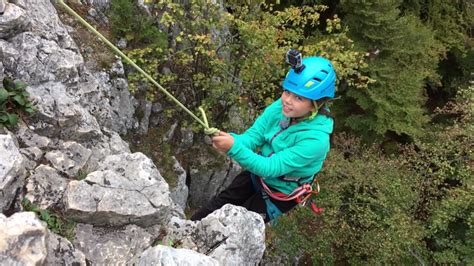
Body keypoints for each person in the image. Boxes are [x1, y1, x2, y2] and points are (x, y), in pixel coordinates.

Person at [190, 53, 335, 223]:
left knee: (237, 226)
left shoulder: (316, 140)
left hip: (279, 193)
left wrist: (232, 147)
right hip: (256, 175)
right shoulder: (281, 108)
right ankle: (184, 231)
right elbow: (254, 137)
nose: (287, 100)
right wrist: (232, 139)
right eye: (287, 91)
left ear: (316, 104)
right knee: (219, 204)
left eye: (299, 98)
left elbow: (270, 167)